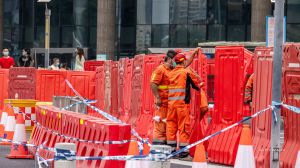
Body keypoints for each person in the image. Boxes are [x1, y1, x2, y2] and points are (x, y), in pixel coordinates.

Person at [150, 48, 199, 145]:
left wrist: (193, 55)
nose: (176, 61)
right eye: (174, 59)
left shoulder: (174, 69)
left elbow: (184, 64)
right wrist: (158, 98)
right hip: (163, 103)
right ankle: (159, 146)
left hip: (171, 102)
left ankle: (168, 147)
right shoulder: (160, 69)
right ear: (169, 59)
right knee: (161, 125)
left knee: (169, 125)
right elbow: (153, 83)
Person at [166, 53, 202, 160]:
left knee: (171, 127)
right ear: (183, 61)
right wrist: (200, 81)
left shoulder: (171, 73)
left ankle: (171, 152)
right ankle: (183, 153)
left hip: (171, 105)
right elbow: (197, 85)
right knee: (184, 128)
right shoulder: (186, 72)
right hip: (182, 105)